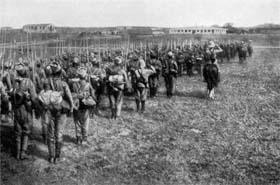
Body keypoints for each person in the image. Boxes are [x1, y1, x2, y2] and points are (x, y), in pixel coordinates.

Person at [47, 61, 74, 163]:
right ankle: (57, 157)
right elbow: (70, 97)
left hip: (50, 111)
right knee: (59, 134)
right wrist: (71, 107)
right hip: (61, 112)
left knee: (51, 135)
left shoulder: (47, 83)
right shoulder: (63, 84)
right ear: (60, 74)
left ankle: (51, 156)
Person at [12, 63, 38, 160]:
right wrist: (37, 108)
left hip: (16, 109)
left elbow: (12, 95)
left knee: (17, 131)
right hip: (25, 109)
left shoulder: (14, 81)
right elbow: (34, 98)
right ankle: (23, 152)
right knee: (26, 131)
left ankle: (17, 153)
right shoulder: (29, 82)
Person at [72, 67, 96, 145]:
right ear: (85, 76)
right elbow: (93, 96)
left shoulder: (74, 84)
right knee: (85, 123)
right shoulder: (88, 85)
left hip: (76, 105)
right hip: (85, 106)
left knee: (77, 123)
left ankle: (78, 138)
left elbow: (71, 94)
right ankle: (84, 139)